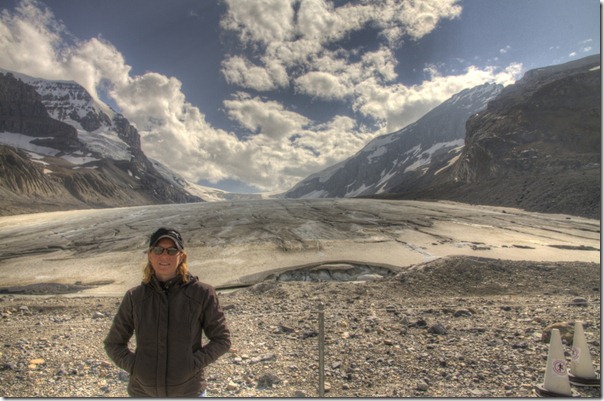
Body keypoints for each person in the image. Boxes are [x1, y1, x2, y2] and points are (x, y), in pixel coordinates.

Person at [104, 227, 231, 397]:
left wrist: (192, 364)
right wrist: (136, 367)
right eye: (158, 249)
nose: (164, 256)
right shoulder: (135, 297)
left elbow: (222, 339)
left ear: (181, 256)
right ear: (150, 254)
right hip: (142, 393)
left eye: (172, 250)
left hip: (189, 392)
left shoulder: (201, 294)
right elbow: (114, 343)